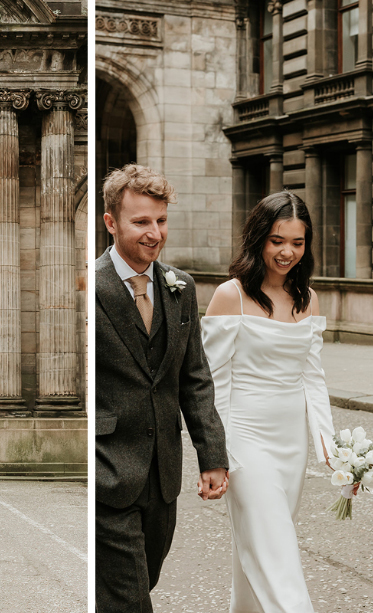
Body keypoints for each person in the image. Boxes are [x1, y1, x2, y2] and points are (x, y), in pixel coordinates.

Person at [95, 164, 229, 612]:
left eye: (161, 221)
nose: (155, 234)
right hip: (106, 471)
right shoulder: (86, 288)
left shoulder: (181, 287)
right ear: (110, 222)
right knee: (130, 599)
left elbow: (195, 378)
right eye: (141, 222)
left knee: (140, 582)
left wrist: (212, 457)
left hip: (162, 476)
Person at [202, 191, 336, 612]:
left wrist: (333, 450)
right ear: (259, 238)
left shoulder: (308, 299)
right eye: (278, 240)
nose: (287, 252)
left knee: (258, 550)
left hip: (290, 442)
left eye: (297, 243)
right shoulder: (231, 296)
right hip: (245, 438)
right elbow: (212, 382)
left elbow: (312, 378)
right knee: (277, 552)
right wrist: (214, 454)